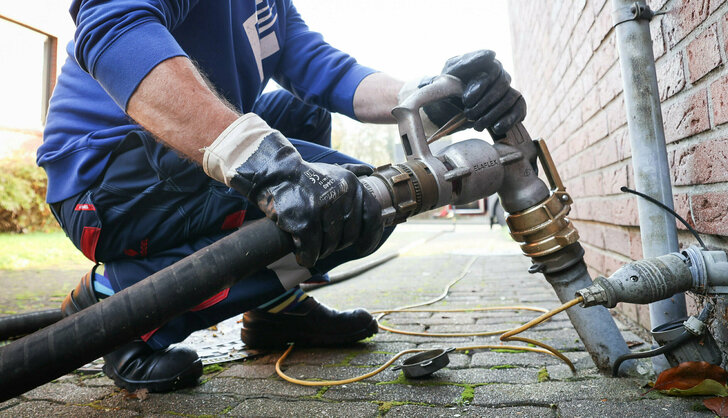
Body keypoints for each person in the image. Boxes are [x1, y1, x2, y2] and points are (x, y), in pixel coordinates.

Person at [39, 0, 526, 393]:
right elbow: (111, 22)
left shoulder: (270, 6)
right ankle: (119, 308)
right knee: (354, 205)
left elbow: (329, 73)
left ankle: (276, 310)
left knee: (304, 120)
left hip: (163, 165)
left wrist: (430, 94)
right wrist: (258, 159)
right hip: (103, 180)